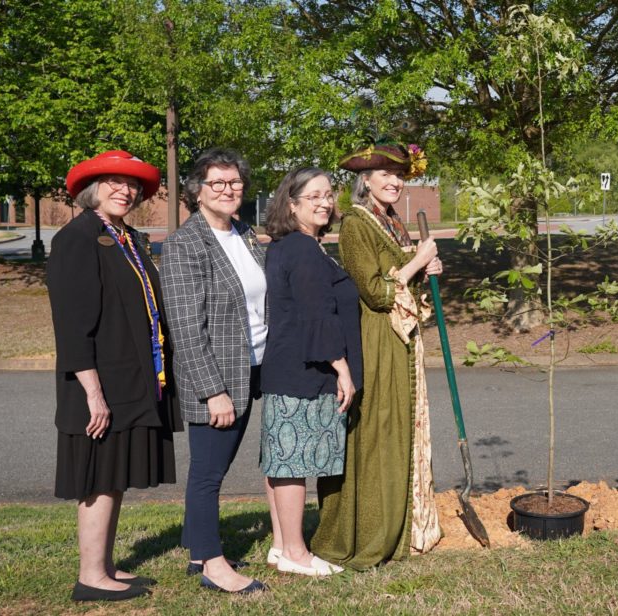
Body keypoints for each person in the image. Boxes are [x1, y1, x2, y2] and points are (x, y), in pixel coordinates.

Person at [48, 150, 180, 602]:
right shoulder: (78, 237)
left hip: (128, 377)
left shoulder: (123, 236)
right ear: (93, 187)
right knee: (98, 477)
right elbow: (72, 323)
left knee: (115, 474)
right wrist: (93, 393)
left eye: (132, 185)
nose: (125, 191)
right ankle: (90, 576)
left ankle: (103, 565)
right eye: (114, 182)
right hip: (96, 383)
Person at [312, 142, 442, 569]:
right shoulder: (355, 224)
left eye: (399, 175)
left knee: (398, 430)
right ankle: (367, 533)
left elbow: (403, 285)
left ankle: (401, 525)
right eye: (384, 174)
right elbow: (377, 291)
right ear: (364, 180)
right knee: (376, 432)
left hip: (399, 341)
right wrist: (414, 263)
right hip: (374, 341)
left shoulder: (391, 222)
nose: (394, 181)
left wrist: (426, 269)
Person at [160, 148, 268, 594]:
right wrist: (212, 392)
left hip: (254, 365)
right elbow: (186, 327)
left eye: (235, 182)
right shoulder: (185, 245)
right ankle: (214, 568)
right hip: (218, 378)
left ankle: (197, 549)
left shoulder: (244, 232)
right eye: (217, 183)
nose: (228, 190)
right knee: (208, 473)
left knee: (212, 468)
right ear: (197, 192)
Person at [259, 167, 361, 576]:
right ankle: (296, 554)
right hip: (303, 371)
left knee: (284, 461)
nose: (325, 201)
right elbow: (315, 314)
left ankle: (282, 545)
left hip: (290, 367)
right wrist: (342, 369)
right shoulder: (301, 249)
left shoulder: (297, 245)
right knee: (293, 463)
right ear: (292, 203)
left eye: (329, 194)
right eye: (314, 195)